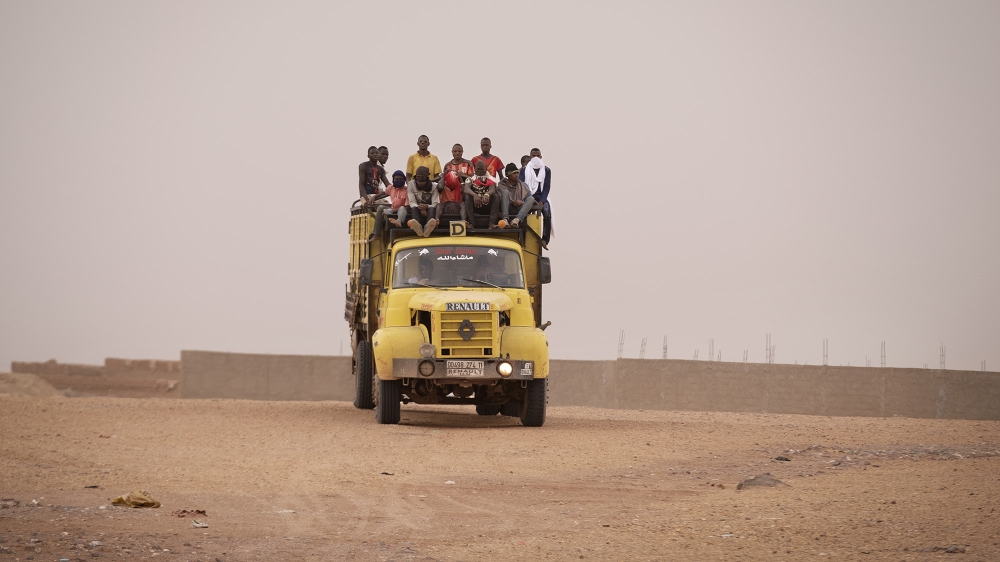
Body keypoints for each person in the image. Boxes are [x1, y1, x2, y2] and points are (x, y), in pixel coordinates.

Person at [521, 148, 552, 248]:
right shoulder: (524, 170)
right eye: (533, 156)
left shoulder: (546, 170)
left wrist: (542, 201)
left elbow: (546, 187)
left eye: (538, 156)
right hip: (528, 196)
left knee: (547, 212)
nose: (536, 157)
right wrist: (529, 198)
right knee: (522, 213)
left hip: (541, 196)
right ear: (530, 157)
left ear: (541, 157)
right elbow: (522, 185)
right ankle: (522, 237)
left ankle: (545, 239)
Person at [370, 170, 409, 240]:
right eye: (396, 179)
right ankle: (377, 233)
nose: (398, 180)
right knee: (381, 207)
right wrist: (374, 197)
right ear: (393, 180)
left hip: (402, 211)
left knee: (402, 208)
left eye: (401, 179)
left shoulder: (407, 190)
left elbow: (407, 207)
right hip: (392, 209)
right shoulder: (391, 188)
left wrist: (393, 210)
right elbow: (384, 193)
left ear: (404, 180)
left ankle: (399, 222)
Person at [496, 163, 536, 228]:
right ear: (508, 175)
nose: (517, 175)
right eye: (514, 173)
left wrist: (521, 202)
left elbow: (529, 201)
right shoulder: (501, 185)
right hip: (506, 208)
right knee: (505, 192)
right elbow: (498, 200)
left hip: (519, 209)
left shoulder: (523, 185)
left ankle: (517, 220)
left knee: (531, 198)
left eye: (517, 173)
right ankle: (505, 219)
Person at [463, 160, 501, 228]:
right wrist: (474, 195)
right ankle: (471, 223)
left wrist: (487, 194)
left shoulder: (491, 179)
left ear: (486, 169)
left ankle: (491, 223)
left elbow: (492, 190)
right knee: (467, 197)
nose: (479, 171)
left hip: (486, 205)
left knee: (496, 196)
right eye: (477, 169)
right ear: (474, 169)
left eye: (482, 169)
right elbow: (466, 189)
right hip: (475, 205)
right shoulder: (470, 179)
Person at [406, 166, 440, 237]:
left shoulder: (434, 186)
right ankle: (417, 226)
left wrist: (427, 206)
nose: (420, 182)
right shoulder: (411, 184)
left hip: (429, 208)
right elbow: (412, 202)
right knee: (414, 208)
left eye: (422, 179)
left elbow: (435, 203)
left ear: (427, 178)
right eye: (418, 178)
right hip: (416, 207)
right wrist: (420, 207)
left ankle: (428, 227)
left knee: (432, 209)